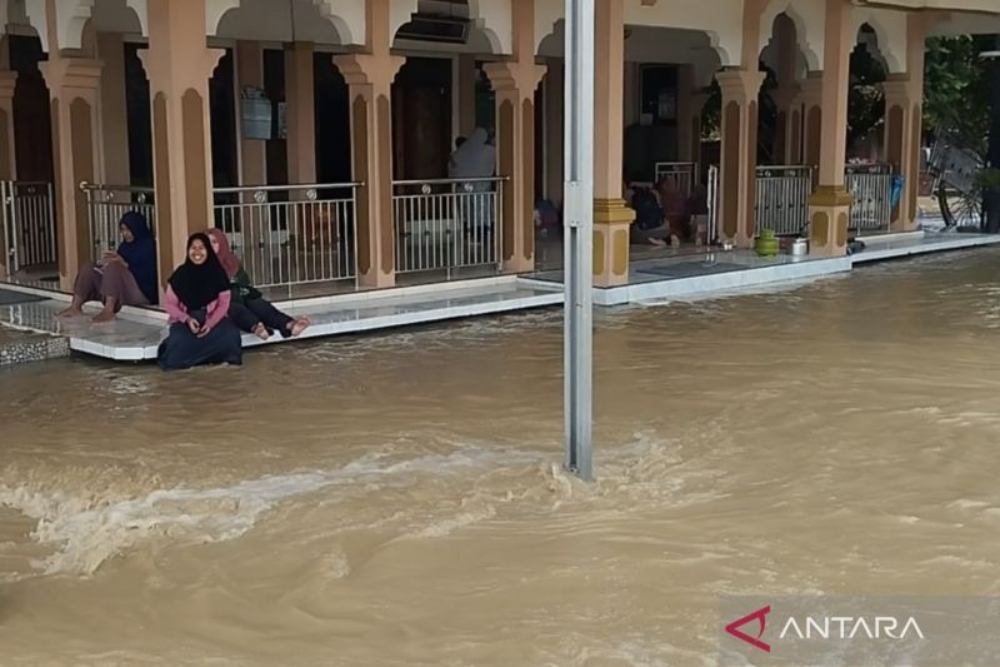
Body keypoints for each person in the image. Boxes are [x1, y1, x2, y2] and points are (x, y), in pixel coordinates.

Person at [157, 233, 242, 371]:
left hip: (212, 318)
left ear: (208, 250)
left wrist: (210, 323)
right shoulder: (180, 274)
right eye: (193, 248)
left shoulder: (218, 274)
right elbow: (170, 304)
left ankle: (222, 360)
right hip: (186, 320)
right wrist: (187, 319)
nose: (197, 252)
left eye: (201, 248)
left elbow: (223, 303)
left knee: (230, 334)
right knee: (179, 340)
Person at [207, 228, 310, 341]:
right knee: (235, 308)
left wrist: (240, 289)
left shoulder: (231, 261)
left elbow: (244, 281)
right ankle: (257, 327)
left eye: (214, 242)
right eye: (207, 242)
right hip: (221, 300)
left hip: (240, 292)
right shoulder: (202, 264)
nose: (211, 245)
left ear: (222, 243)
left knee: (257, 302)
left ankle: (289, 324)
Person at [57, 212, 158, 322]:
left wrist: (124, 264)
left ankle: (108, 311)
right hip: (118, 291)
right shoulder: (125, 246)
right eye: (123, 230)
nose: (125, 234)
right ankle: (75, 307)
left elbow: (149, 276)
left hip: (141, 292)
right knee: (89, 268)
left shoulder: (148, 246)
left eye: (128, 230)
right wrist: (103, 266)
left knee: (114, 266)